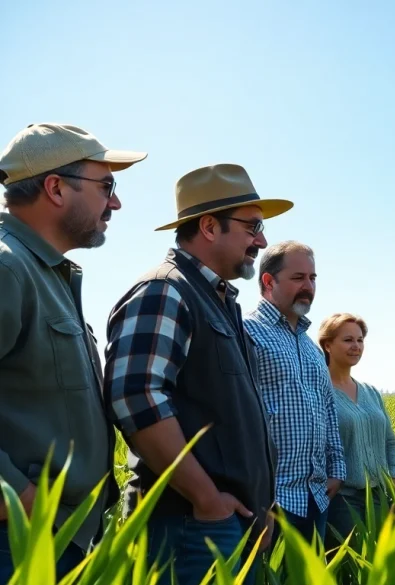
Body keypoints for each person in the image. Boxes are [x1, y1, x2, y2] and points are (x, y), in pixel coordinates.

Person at [104, 163, 292, 585]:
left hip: (224, 524)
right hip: (190, 528)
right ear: (209, 226)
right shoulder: (165, 290)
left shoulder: (220, 301)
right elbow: (136, 397)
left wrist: (258, 504)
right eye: (253, 227)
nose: (261, 241)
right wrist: (208, 500)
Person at [0, 123, 145, 581]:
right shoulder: (8, 267)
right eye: (106, 186)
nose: (116, 202)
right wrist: (20, 498)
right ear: (56, 188)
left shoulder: (47, 274)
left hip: (59, 538)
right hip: (22, 542)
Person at [243, 240, 345, 548]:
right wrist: (256, 498)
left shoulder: (312, 348)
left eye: (312, 278)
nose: (308, 286)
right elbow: (236, 418)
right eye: (298, 278)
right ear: (268, 281)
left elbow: (327, 409)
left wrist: (337, 470)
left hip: (317, 497)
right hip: (272, 501)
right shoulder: (245, 331)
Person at [317, 312, 395, 551]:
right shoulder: (318, 392)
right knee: (350, 569)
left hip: (381, 498)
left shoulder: (371, 392)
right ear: (327, 345)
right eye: (347, 340)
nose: (356, 346)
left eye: (360, 340)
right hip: (342, 502)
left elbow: (390, 442)